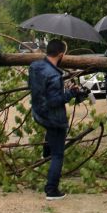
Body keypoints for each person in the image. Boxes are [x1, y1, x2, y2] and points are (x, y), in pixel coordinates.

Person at [29, 39, 88, 200]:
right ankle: (51, 190)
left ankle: (45, 152)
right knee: (58, 155)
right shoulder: (54, 75)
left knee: (51, 138)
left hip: (39, 113)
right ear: (61, 54)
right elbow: (54, 101)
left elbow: (43, 92)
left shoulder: (36, 67)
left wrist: (63, 89)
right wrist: (71, 93)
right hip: (54, 118)